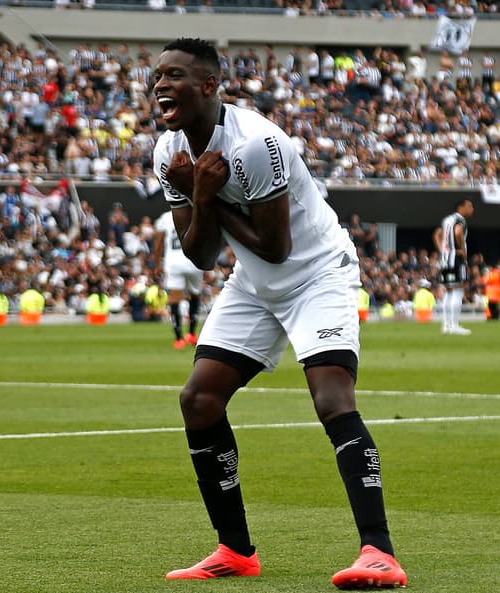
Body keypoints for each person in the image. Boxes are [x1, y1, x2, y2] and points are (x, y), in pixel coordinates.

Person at [151, 38, 406, 588]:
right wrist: (197, 196)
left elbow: (276, 246)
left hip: (317, 272)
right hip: (255, 282)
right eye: (157, 76)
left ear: (209, 85)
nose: (160, 84)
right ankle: (235, 551)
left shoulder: (256, 144)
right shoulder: (167, 151)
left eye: (174, 75)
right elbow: (199, 255)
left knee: (331, 397)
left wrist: (205, 196)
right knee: (199, 399)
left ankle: (378, 552)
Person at [154, 209, 203, 349]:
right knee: (195, 296)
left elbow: (159, 244)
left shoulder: (166, 217)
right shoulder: (196, 213)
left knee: (174, 300)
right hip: (194, 261)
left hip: (174, 262)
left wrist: (157, 264)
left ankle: (179, 338)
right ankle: (192, 334)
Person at [433, 199, 475, 335]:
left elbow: (437, 234)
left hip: (445, 259)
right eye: (469, 206)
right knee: (457, 291)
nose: (472, 209)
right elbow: (458, 232)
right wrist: (462, 249)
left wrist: (442, 250)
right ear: (460, 207)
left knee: (449, 291)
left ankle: (446, 325)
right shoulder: (460, 221)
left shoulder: (447, 220)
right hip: (456, 259)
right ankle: (454, 325)